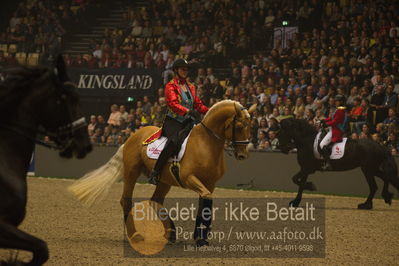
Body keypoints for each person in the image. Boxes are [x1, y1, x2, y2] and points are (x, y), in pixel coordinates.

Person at [148, 59, 209, 185]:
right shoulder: (170, 86)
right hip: (174, 121)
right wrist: (188, 111)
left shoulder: (191, 86)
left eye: (186, 69)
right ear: (176, 70)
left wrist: (209, 111)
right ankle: (155, 172)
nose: (185, 72)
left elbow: (197, 103)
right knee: (173, 142)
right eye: (183, 69)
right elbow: (173, 104)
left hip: (189, 121)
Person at [319, 95, 347, 170]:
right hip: (332, 128)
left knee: (322, 145)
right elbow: (332, 118)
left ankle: (328, 163)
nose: (335, 102)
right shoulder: (338, 109)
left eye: (337, 101)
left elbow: (336, 121)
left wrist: (326, 124)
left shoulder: (341, 110)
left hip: (336, 130)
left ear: (341, 102)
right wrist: (324, 120)